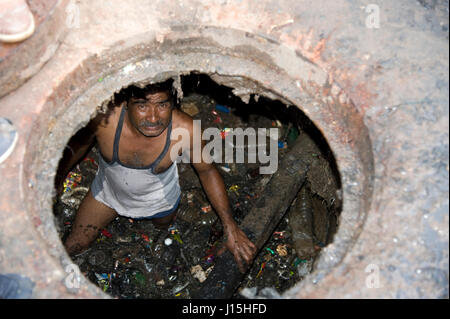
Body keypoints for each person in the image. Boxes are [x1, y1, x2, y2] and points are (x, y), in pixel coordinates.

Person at [61, 80, 257, 272]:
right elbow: (79, 144)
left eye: (162, 105)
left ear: (173, 102)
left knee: (161, 233)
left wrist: (230, 227)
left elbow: (207, 171)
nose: (153, 118)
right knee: (74, 246)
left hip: (159, 202)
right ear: (127, 103)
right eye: (142, 105)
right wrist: (55, 178)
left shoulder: (186, 130)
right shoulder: (105, 119)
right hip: (107, 194)